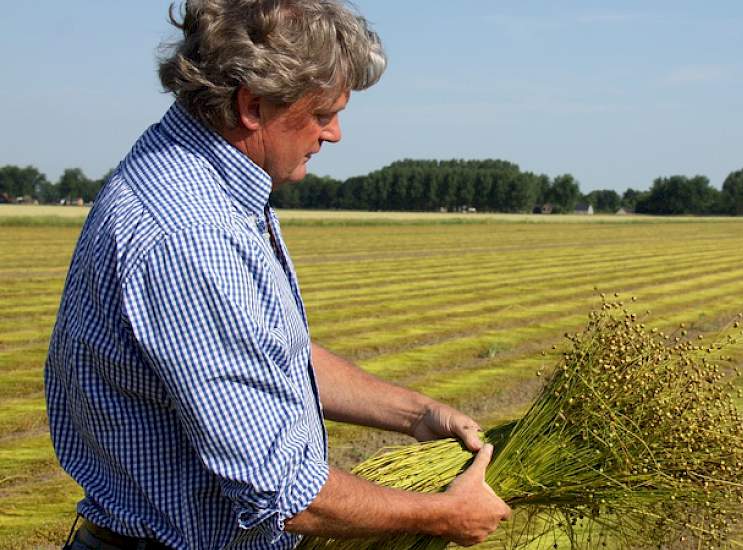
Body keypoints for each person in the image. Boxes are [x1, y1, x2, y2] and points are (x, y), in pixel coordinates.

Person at [44, 1, 511, 548]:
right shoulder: (195, 236)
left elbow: (266, 355)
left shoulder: (191, 174)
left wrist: (416, 414)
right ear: (252, 105)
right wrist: (444, 514)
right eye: (322, 113)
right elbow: (285, 490)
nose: (334, 134)